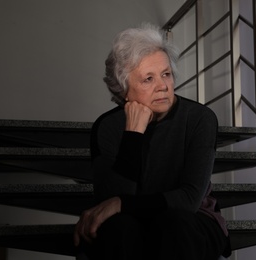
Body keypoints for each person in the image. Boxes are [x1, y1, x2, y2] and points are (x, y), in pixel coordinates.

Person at [73, 23, 230, 260]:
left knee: (173, 225)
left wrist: (121, 203)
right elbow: (111, 200)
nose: (163, 86)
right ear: (124, 89)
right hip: (132, 222)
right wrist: (133, 133)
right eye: (148, 79)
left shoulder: (199, 119)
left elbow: (188, 199)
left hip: (192, 220)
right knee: (118, 229)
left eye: (166, 74)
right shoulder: (108, 127)